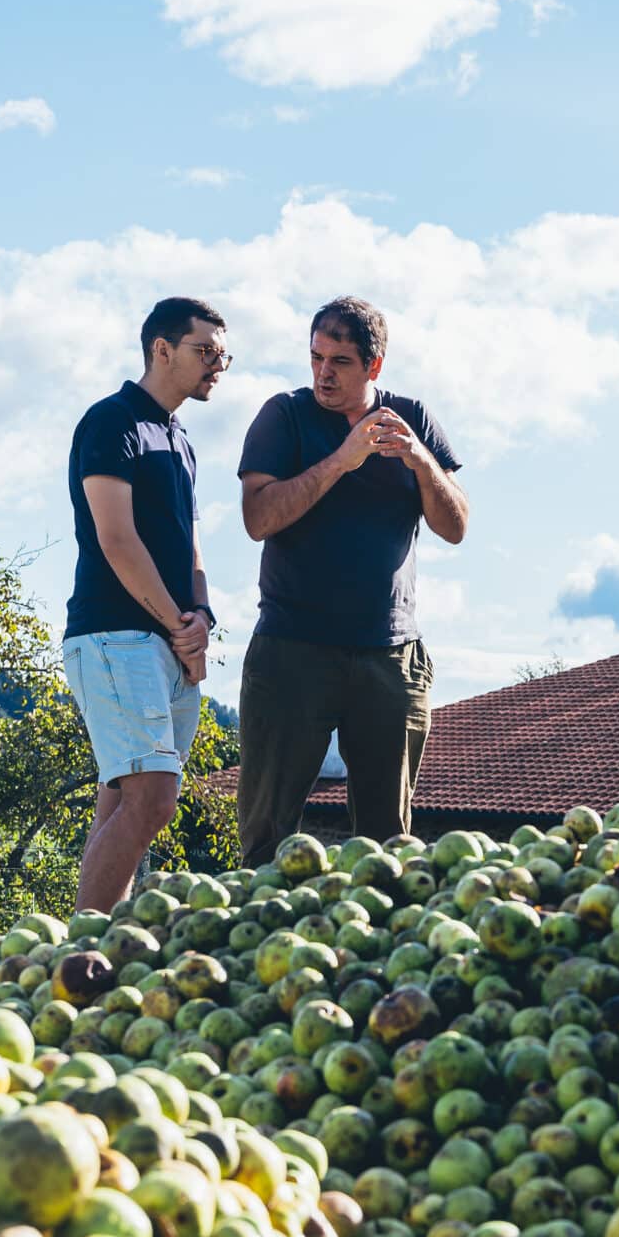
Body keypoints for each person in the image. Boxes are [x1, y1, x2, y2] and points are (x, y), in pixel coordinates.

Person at [236, 295, 468, 863]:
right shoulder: (284, 415)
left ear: (374, 366)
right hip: (292, 650)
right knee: (266, 836)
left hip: (391, 657)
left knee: (389, 845)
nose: (322, 373)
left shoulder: (412, 417)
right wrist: (342, 459)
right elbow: (258, 519)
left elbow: (456, 526)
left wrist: (420, 460)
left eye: (339, 361)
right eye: (315, 357)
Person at [62, 297, 228, 914]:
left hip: (171, 643)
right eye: (204, 349)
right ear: (162, 348)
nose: (218, 364)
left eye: (223, 354)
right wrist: (177, 626)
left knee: (127, 802)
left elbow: (189, 540)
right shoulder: (111, 422)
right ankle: (79, 950)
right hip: (114, 638)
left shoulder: (179, 438)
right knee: (153, 798)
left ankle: (93, 949)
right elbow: (116, 539)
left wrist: (202, 616)